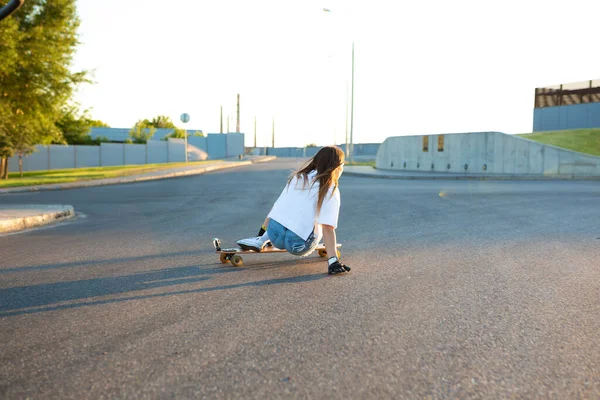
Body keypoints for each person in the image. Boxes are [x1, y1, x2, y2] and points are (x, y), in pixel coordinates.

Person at [236, 146, 351, 275]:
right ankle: (330, 258)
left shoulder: (298, 178)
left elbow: (276, 208)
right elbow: (328, 227)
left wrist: (260, 234)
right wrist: (333, 261)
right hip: (297, 243)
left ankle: (261, 240)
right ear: (336, 167)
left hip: (275, 234)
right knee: (317, 223)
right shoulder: (330, 189)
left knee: (287, 213)